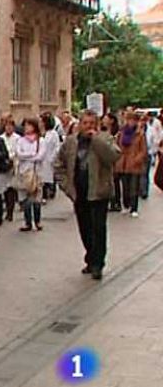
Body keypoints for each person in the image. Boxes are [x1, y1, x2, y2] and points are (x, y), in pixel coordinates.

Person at [55, 110, 121, 280]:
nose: (88, 127)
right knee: (85, 227)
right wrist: (65, 185)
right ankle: (90, 258)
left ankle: (98, 263)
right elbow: (58, 163)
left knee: (98, 228)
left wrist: (96, 140)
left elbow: (112, 157)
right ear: (79, 125)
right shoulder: (71, 142)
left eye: (92, 123)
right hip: (79, 191)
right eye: (85, 123)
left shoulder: (105, 138)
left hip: (99, 191)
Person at [114, 111, 148, 218]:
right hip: (123, 163)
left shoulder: (140, 134)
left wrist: (137, 159)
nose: (130, 122)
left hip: (134, 164)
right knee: (125, 187)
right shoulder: (122, 133)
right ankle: (126, 205)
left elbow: (143, 149)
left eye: (132, 120)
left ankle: (134, 208)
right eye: (128, 120)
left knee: (134, 187)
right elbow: (117, 146)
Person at [15, 118, 46, 232]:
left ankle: (37, 221)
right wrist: (31, 155)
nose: (26, 128)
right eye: (25, 125)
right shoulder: (20, 140)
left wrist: (27, 156)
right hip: (24, 172)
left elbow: (40, 156)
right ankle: (27, 222)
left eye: (29, 125)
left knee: (36, 198)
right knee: (25, 198)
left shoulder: (40, 141)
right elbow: (19, 154)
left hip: (36, 173)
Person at [0, 115, 20, 222]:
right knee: (4, 188)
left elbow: (18, 151)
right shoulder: (1, 138)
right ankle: (6, 209)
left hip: (13, 164)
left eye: (10, 126)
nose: (8, 129)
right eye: (6, 126)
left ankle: (10, 211)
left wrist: (12, 157)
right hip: (3, 165)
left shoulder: (17, 138)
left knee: (11, 188)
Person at [40, 113, 61, 203]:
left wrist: (52, 158)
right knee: (42, 178)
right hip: (41, 159)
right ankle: (43, 195)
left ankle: (49, 193)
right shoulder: (42, 133)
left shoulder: (54, 134)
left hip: (49, 159)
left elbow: (57, 147)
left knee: (48, 177)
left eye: (42, 122)